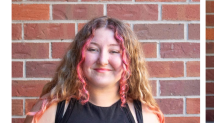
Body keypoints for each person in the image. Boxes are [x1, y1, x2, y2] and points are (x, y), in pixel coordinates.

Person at [25, 16, 163, 123]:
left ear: (129, 60)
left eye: (114, 51)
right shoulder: (50, 111)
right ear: (78, 55)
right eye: (92, 49)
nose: (102, 60)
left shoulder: (146, 116)